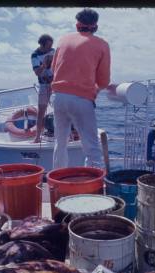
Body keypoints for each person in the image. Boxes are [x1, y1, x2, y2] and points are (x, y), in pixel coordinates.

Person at [50, 8, 110, 168]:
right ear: (95, 27)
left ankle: (57, 183)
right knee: (92, 148)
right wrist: (95, 90)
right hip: (82, 100)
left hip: (58, 97)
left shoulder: (62, 40)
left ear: (77, 26)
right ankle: (92, 187)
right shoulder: (102, 45)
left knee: (60, 144)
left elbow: (54, 68)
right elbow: (103, 81)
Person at [31, 34, 55, 143]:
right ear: (42, 44)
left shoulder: (53, 51)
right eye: (49, 45)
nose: (51, 47)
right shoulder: (35, 55)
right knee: (41, 111)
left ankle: (68, 134)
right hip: (44, 85)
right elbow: (37, 72)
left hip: (56, 84)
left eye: (51, 45)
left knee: (62, 108)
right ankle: (37, 137)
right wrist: (44, 64)